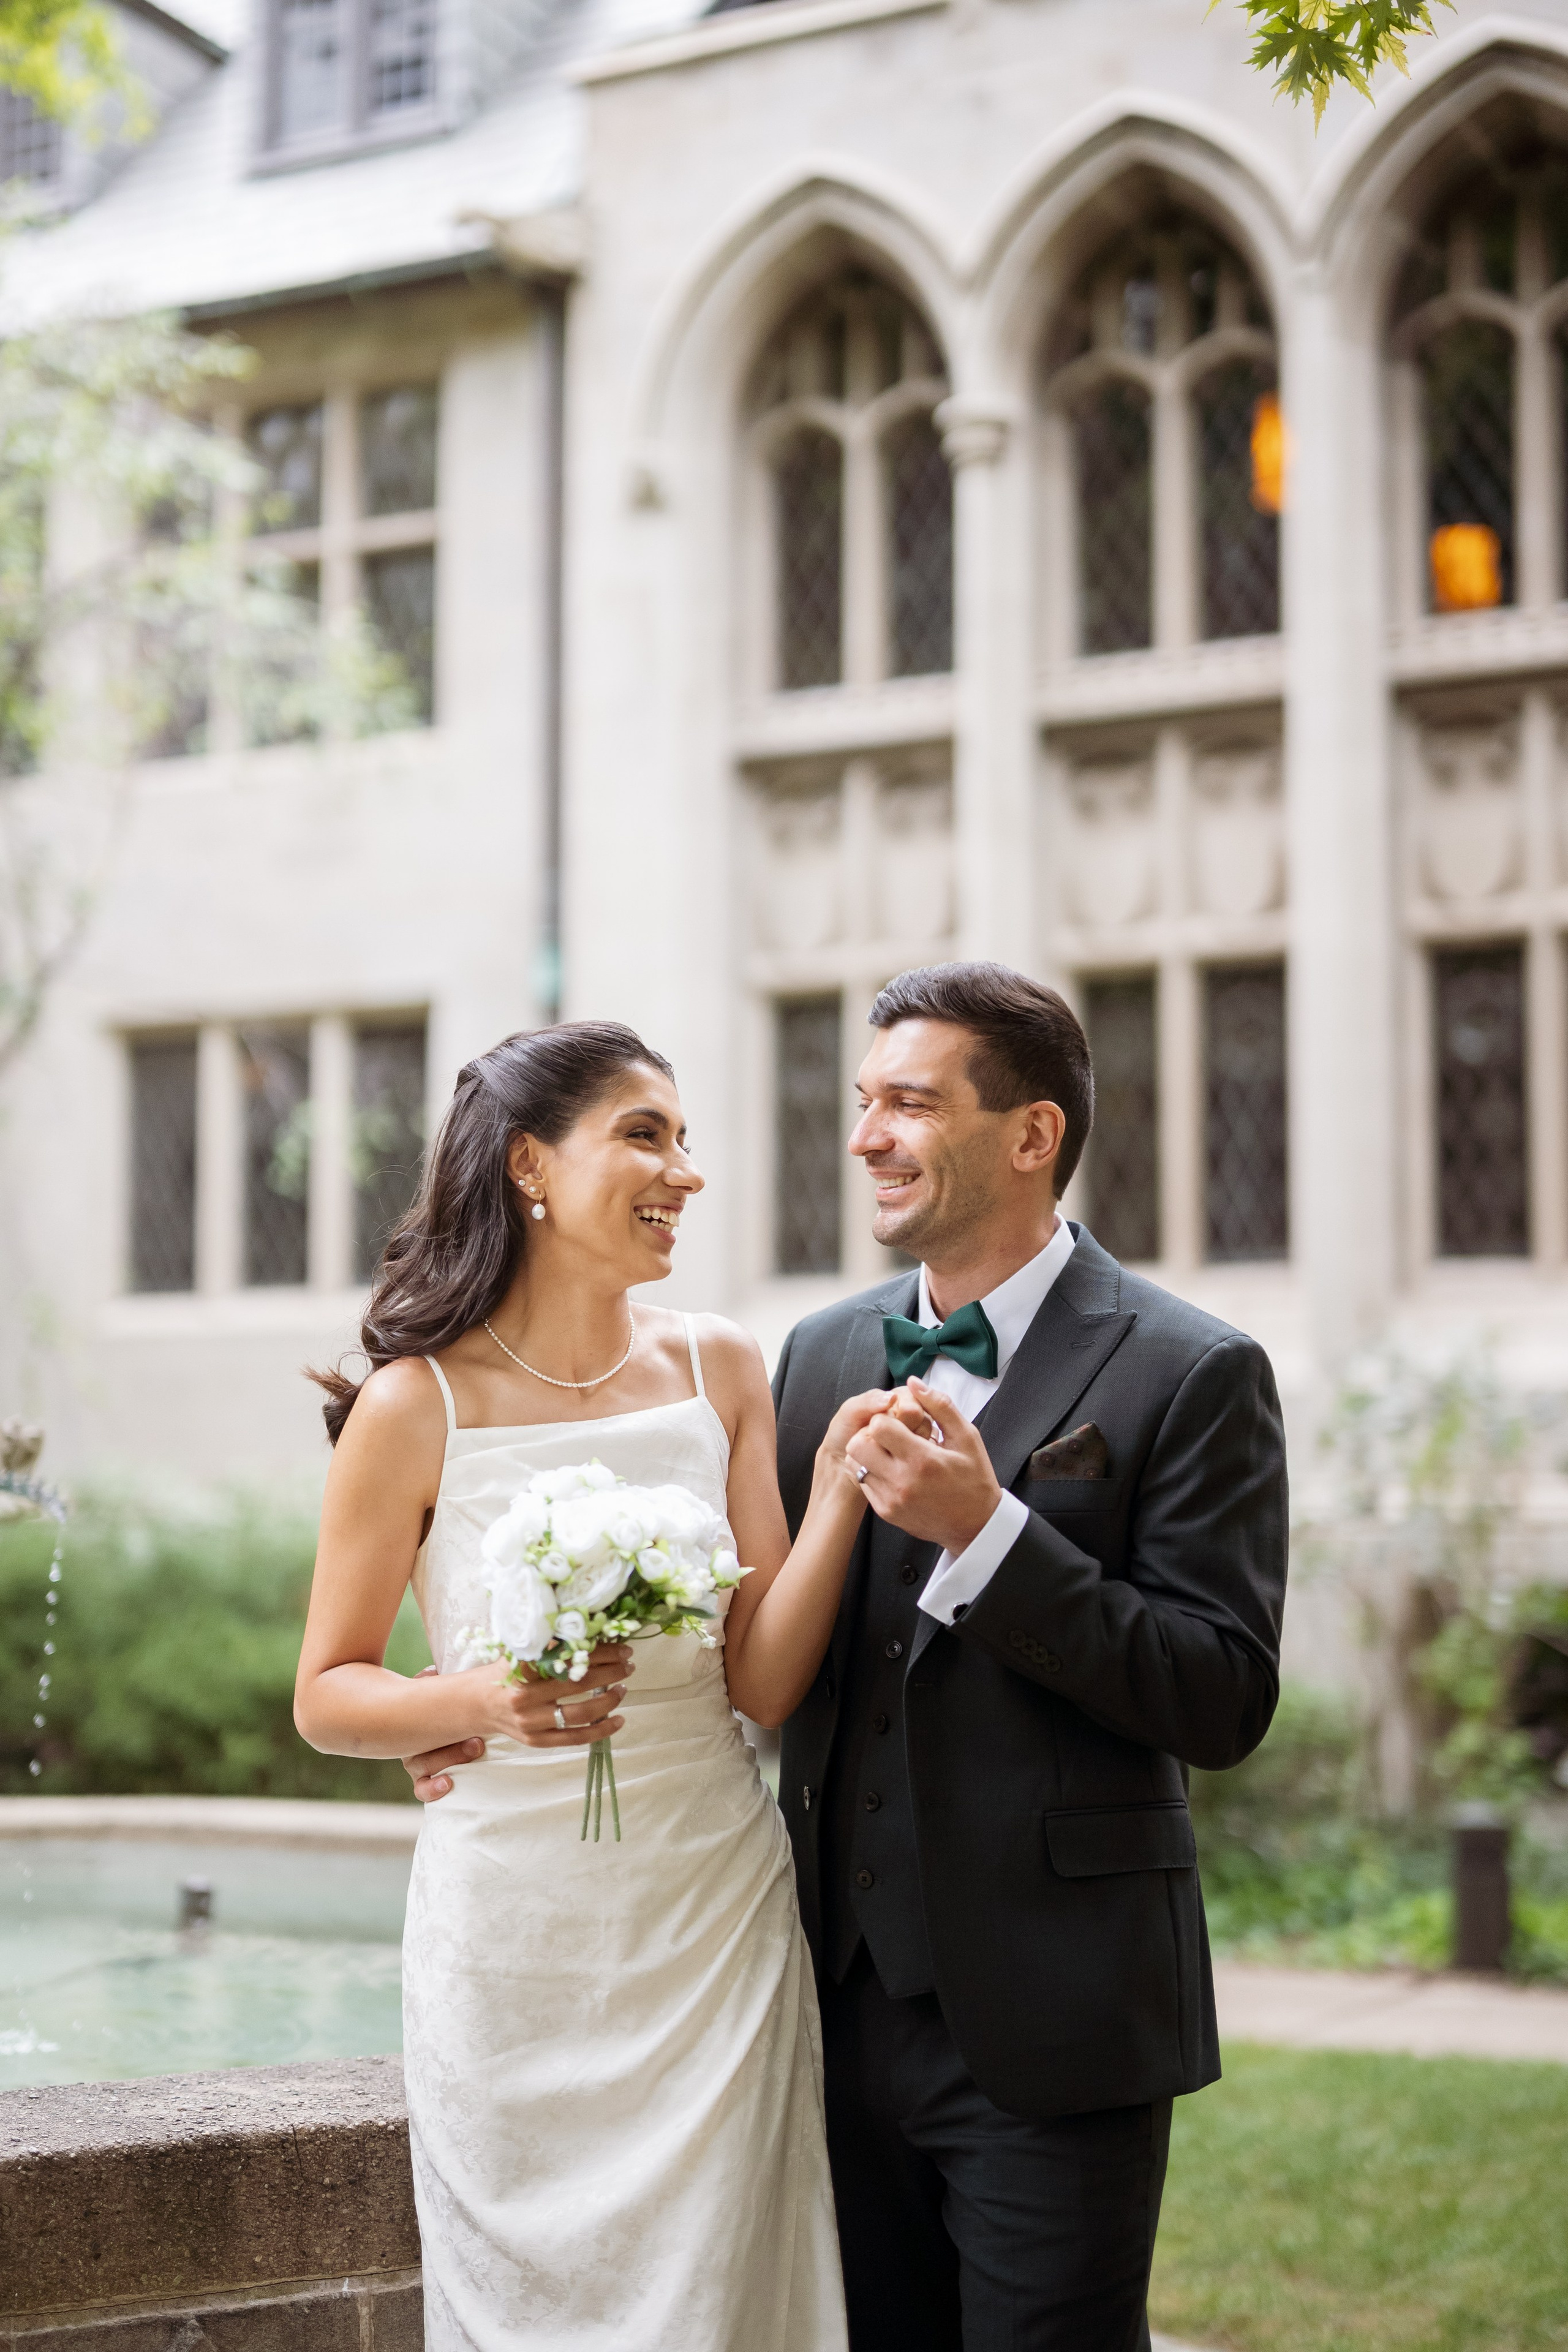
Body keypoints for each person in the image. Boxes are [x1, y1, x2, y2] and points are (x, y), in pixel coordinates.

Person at [403, 965, 1290, 2351]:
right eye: (862, 1101)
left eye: (909, 1104)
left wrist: (988, 1536)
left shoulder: (1188, 1368)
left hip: (1052, 2028)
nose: (865, 1134)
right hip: (809, 2003)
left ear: (1030, 1134)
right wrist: (470, 1703)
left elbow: (1222, 1691)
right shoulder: (812, 1358)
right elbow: (753, 1659)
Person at [295, 1020, 894, 2352]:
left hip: (708, 1914)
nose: (684, 1170)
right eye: (644, 1134)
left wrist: (841, 1495)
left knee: (722, 2296)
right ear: (528, 1165)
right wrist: (478, 1703)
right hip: (513, 1936)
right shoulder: (415, 1406)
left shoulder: (716, 1368)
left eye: (684, 1139)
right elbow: (327, 1693)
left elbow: (765, 1681)